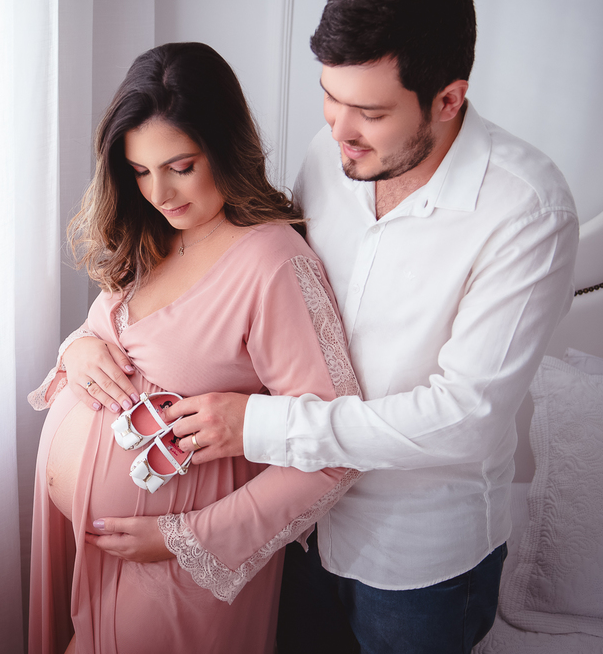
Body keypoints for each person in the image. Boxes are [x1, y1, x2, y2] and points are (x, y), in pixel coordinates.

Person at [67, 0, 580, 653]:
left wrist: (261, 425)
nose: (340, 129)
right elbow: (233, 281)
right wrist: (87, 336)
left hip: (414, 558)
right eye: (330, 99)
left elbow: (466, 417)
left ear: (448, 100)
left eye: (370, 112)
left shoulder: (526, 211)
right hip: (298, 535)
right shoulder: (331, 155)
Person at [27, 41, 362, 654]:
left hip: (177, 569)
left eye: (180, 166)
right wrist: (78, 347)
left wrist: (185, 539)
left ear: (225, 147)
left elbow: (330, 453)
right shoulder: (154, 233)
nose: (159, 192)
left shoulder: (272, 263)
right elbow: (118, 334)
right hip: (98, 550)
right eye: (139, 171)